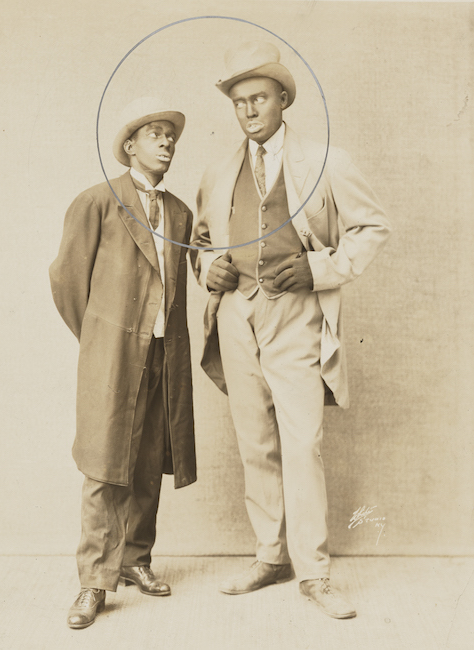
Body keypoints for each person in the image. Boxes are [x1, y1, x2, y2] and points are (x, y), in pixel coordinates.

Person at [191, 41, 391, 619]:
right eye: (238, 102)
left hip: (297, 314)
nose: (249, 110)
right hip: (236, 313)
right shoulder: (219, 167)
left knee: (301, 441)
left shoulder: (327, 160)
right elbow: (201, 243)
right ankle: (270, 555)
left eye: (258, 98)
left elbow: (372, 226)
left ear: (283, 98)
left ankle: (315, 572)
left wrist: (317, 267)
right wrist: (211, 268)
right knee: (255, 438)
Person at [49, 97, 196, 629]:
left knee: (149, 457)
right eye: (155, 133)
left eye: (171, 135)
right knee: (105, 462)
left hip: (164, 352)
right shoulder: (96, 202)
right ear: (130, 145)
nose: (166, 142)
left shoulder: (180, 211)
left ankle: (136, 559)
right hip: (113, 355)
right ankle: (94, 580)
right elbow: (67, 281)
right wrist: (101, 340)